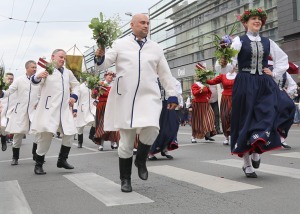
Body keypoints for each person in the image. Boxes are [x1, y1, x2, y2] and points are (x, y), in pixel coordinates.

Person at [94, 13, 178, 193]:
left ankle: (140, 158)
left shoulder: (156, 48)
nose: (146, 25)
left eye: (148, 23)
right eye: (142, 22)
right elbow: (102, 65)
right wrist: (99, 56)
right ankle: (125, 179)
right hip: (125, 97)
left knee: (153, 127)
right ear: (132, 25)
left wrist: (172, 94)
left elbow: (165, 73)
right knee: (126, 140)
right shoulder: (120, 44)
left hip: (149, 95)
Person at [230, 8, 294, 178]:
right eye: (253, 19)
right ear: (245, 23)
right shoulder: (238, 41)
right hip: (245, 83)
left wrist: (274, 73)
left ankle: (257, 149)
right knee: (246, 119)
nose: (257, 21)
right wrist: (225, 61)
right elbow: (227, 64)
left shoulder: (268, 42)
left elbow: (282, 60)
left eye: (259, 19)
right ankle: (246, 163)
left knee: (271, 111)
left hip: (264, 83)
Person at [30, 49, 80, 175]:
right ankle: (39, 164)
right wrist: (37, 77)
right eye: (61, 57)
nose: (63, 59)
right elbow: (35, 81)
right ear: (53, 57)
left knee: (70, 133)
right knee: (45, 137)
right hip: (49, 109)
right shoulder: (46, 69)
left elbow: (76, 85)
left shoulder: (67, 72)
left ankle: (62, 160)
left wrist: (74, 96)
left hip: (64, 110)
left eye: (64, 58)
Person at [0, 61, 40, 165]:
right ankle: (15, 157)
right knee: (18, 134)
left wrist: (39, 102)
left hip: (34, 111)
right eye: (33, 67)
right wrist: (1, 92)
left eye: (36, 67)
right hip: (21, 111)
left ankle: (35, 154)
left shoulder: (39, 80)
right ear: (26, 68)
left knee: (38, 132)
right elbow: (9, 91)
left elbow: (42, 93)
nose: (35, 69)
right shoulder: (19, 80)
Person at [148, 78, 180, 160]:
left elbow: (175, 89)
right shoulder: (150, 75)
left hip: (167, 103)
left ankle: (165, 147)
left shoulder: (168, 77)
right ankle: (151, 151)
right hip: (154, 104)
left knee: (173, 125)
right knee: (156, 127)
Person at [207, 64, 237, 145]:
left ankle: (234, 135)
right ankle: (226, 136)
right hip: (225, 99)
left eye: (234, 65)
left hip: (235, 98)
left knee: (234, 116)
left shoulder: (239, 76)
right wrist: (204, 78)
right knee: (224, 116)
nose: (232, 67)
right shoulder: (222, 76)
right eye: (230, 66)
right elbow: (212, 81)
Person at [92, 71, 119, 151]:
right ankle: (101, 144)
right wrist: (95, 91)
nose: (111, 77)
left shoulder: (114, 85)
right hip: (102, 106)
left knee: (112, 123)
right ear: (105, 76)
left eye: (112, 75)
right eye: (109, 75)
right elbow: (93, 95)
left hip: (111, 106)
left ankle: (113, 142)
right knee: (101, 124)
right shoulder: (100, 84)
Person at [190, 64, 216, 143]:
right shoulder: (195, 85)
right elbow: (195, 93)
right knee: (197, 121)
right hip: (197, 104)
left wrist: (208, 97)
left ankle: (207, 134)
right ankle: (193, 136)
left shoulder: (205, 85)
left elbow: (209, 93)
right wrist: (200, 90)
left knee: (210, 117)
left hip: (205, 104)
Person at [73, 76, 97, 148]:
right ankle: (80, 142)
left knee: (95, 121)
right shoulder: (80, 87)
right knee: (80, 127)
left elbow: (97, 96)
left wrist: (96, 100)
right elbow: (75, 100)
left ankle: (91, 135)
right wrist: (75, 110)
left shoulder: (93, 87)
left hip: (92, 108)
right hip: (82, 109)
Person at [0, 72, 16, 152]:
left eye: (12, 79)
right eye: (8, 78)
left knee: (4, 126)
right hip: (1, 110)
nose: (10, 80)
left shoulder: (15, 89)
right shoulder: (1, 88)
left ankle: (3, 141)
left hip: (10, 112)